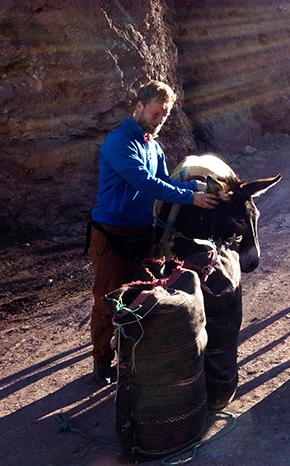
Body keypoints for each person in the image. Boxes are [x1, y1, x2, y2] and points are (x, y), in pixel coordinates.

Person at [87, 80, 219, 385]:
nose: (160, 120)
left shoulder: (152, 147)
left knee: (140, 298)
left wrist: (200, 187)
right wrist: (191, 197)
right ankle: (101, 360)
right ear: (139, 107)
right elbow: (146, 183)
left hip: (142, 234)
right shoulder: (119, 143)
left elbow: (165, 182)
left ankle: (133, 357)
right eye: (156, 113)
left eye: (165, 115)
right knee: (107, 300)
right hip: (110, 233)